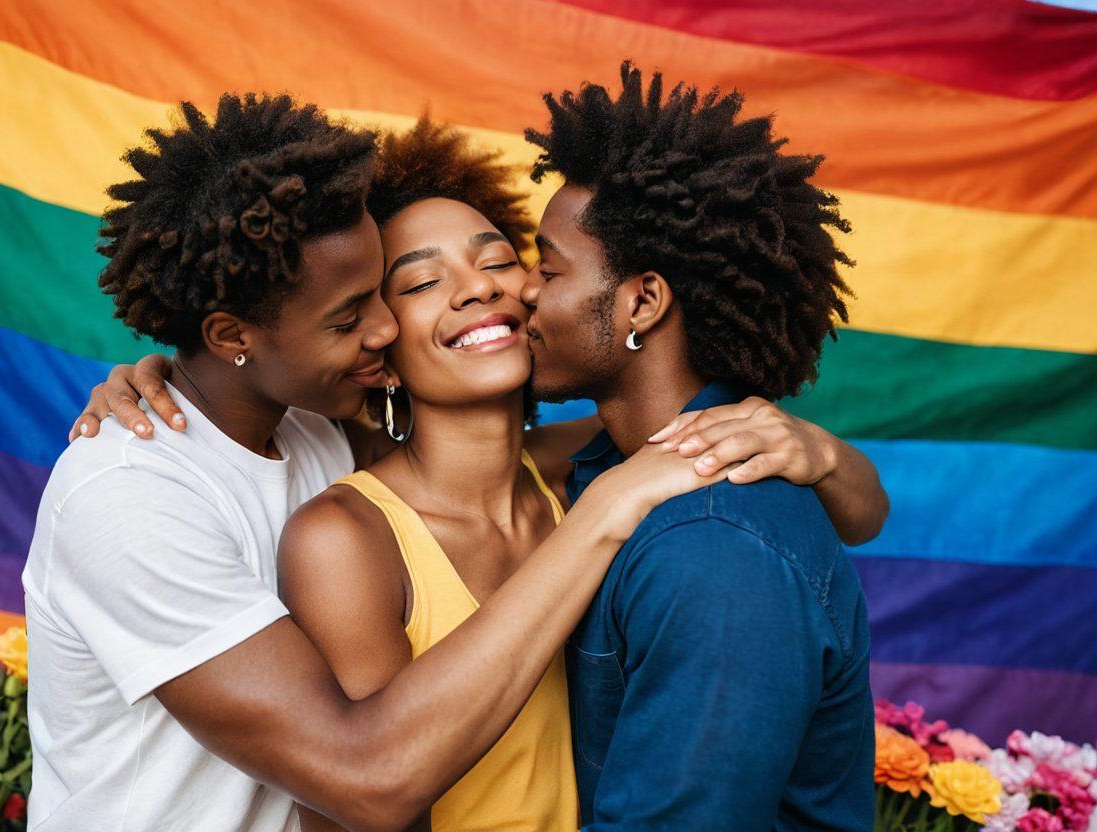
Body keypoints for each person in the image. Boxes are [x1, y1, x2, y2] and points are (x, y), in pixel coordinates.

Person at [79, 112, 888, 829]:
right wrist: (177, 373)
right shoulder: (345, 520)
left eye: (509, 260)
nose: (484, 291)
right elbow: (366, 791)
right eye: (420, 283)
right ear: (379, 352)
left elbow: (722, 455)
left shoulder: (590, 473)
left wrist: (824, 453)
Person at [518, 62, 879, 829]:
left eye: (546, 268)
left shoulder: (713, 550)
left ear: (642, 300)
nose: (521, 292)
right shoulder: (618, 463)